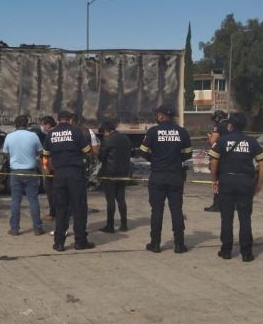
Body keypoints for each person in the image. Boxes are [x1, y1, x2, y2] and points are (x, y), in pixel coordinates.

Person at [208, 113, 263, 262]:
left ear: (230, 125)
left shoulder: (222, 140)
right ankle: (246, 253)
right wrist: (259, 184)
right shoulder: (252, 142)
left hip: (226, 180)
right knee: (245, 218)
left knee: (226, 217)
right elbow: (262, 165)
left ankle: (226, 250)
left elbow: (214, 162)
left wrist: (214, 180)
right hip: (246, 182)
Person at [139, 105, 192, 253]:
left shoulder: (153, 132)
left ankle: (155, 244)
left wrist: (154, 159)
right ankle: (179, 244)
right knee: (176, 210)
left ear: (162, 116)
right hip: (175, 175)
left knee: (157, 210)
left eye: (158, 114)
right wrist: (175, 160)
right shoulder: (182, 132)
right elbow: (188, 154)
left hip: (158, 176)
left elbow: (143, 152)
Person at [43, 110, 94, 251]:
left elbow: (46, 155)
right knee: (79, 208)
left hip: (59, 174)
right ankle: (80, 241)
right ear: (70, 120)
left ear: (58, 119)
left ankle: (59, 243)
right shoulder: (76, 132)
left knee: (61, 209)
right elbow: (87, 151)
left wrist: (49, 169)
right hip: (75, 173)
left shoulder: (51, 133)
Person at [2, 115, 44, 236]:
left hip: (15, 172)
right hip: (31, 172)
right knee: (33, 200)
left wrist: (13, 159)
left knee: (15, 201)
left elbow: (5, 153)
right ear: (27, 124)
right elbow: (41, 152)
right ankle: (37, 228)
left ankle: (15, 229)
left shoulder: (9, 136)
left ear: (15, 124)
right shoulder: (33, 136)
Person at [97, 121, 131, 233]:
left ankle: (110, 226)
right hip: (124, 173)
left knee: (110, 200)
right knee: (121, 198)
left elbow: (101, 157)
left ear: (106, 131)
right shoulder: (125, 138)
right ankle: (124, 224)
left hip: (109, 173)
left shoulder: (107, 140)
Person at [205, 109, 229, 212]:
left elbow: (212, 141)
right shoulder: (230, 125)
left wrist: (210, 136)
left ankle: (217, 204)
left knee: (217, 181)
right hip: (230, 156)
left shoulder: (218, 126)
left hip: (220, 156)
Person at [40, 116, 57, 222]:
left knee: (50, 191)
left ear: (48, 125)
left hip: (52, 168)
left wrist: (46, 167)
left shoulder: (50, 135)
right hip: (60, 167)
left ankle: (53, 213)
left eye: (43, 125)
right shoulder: (60, 133)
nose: (42, 127)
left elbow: (46, 154)